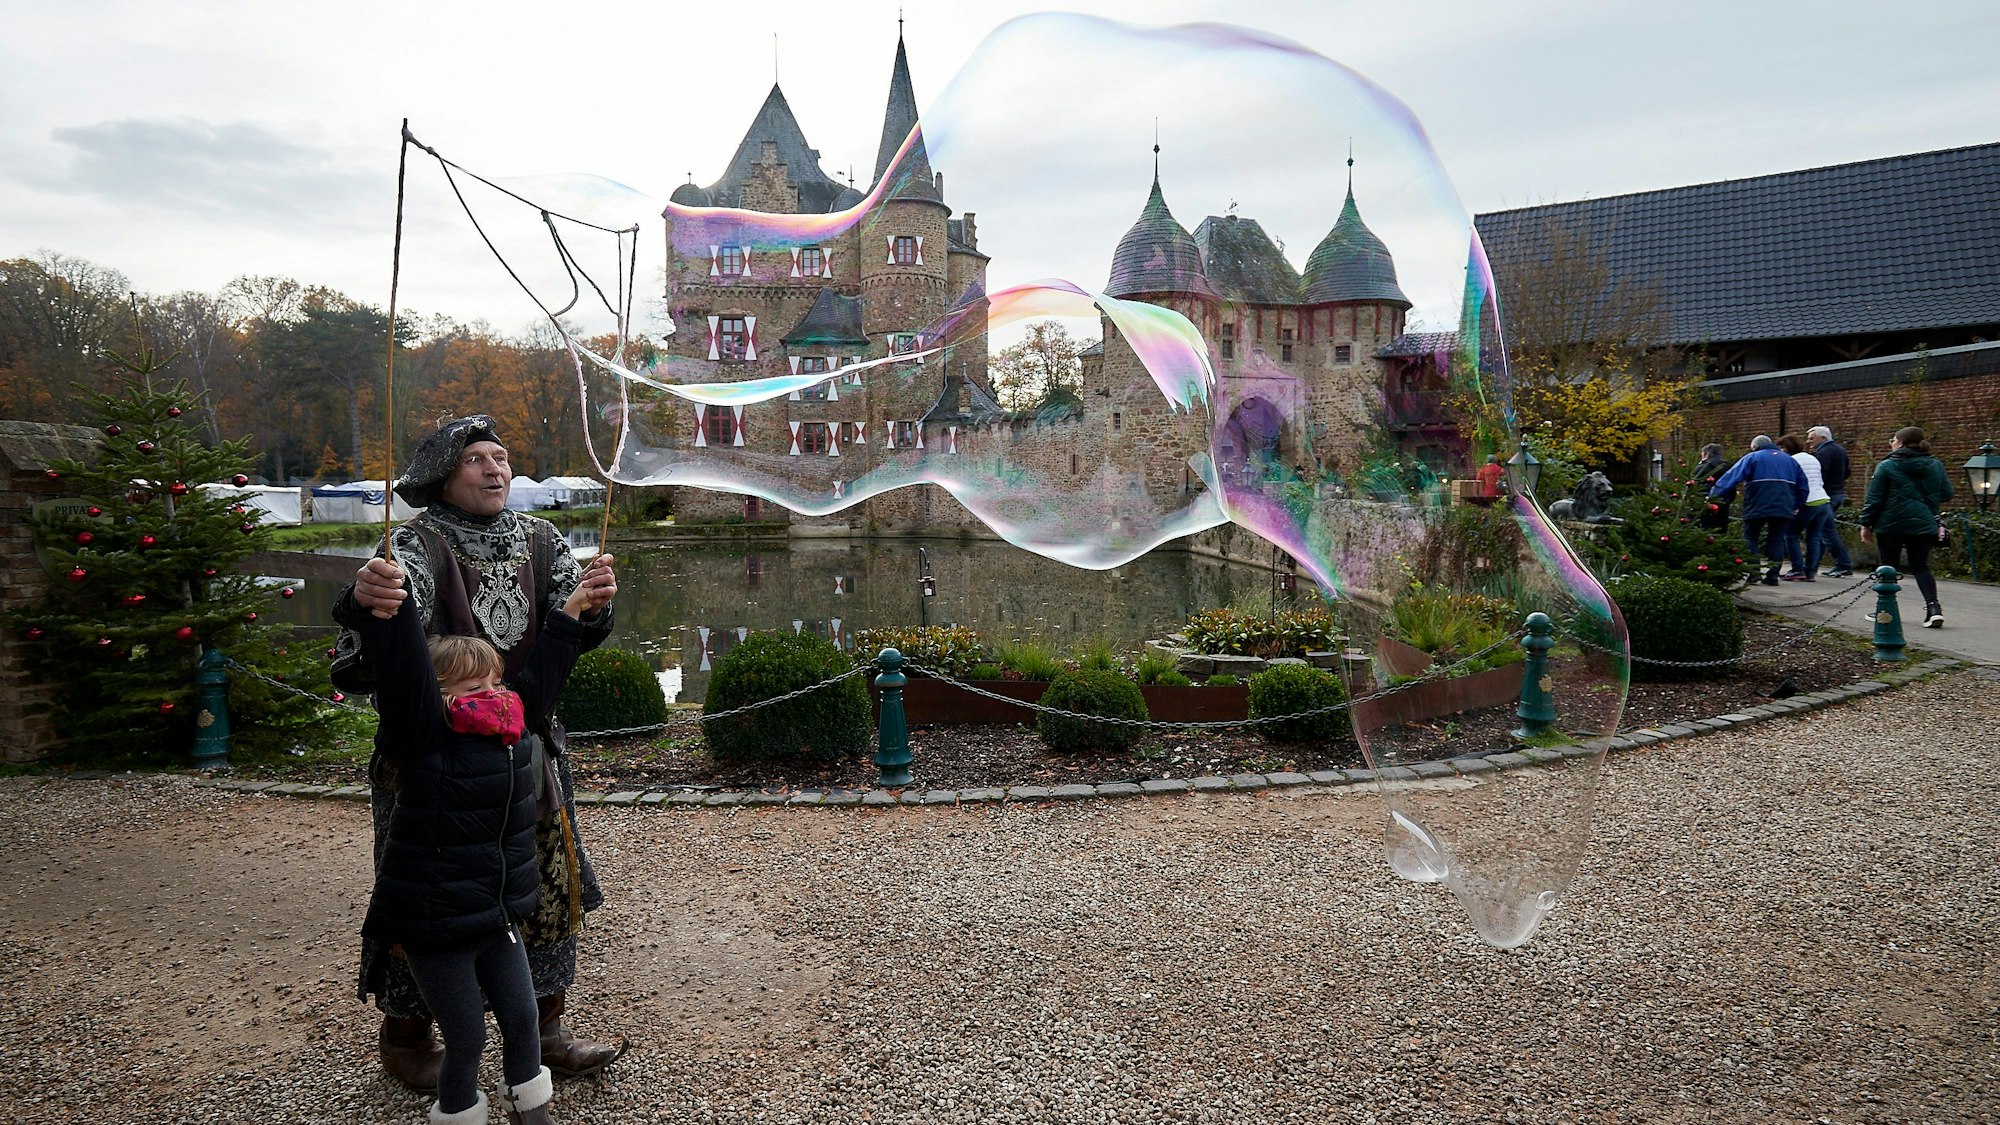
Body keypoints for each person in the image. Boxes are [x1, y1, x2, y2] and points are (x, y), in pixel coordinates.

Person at [331, 416, 626, 1091]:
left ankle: (545, 1031)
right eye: (476, 459)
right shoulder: (417, 541)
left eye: (502, 457)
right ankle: (407, 1034)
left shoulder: (543, 538)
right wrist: (365, 597)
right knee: (428, 896)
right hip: (430, 765)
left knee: (542, 887)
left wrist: (595, 605)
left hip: (528, 753)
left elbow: (570, 624)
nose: (496, 469)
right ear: (442, 473)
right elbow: (385, 609)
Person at [354, 584, 597, 1124]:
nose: (493, 693)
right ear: (438, 696)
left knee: (521, 1018)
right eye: (473, 685)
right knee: (465, 1038)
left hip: (496, 915)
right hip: (435, 925)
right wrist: (387, 614)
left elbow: (542, 677)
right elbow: (402, 673)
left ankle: (531, 1115)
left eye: (494, 680)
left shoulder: (508, 728)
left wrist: (572, 612)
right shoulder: (421, 735)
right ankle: (460, 1114)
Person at [1860, 425, 1954, 628]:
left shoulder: (1886, 466)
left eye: (1893, 440)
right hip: (1923, 523)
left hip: (1890, 525)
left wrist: (1866, 523)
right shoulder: (1935, 465)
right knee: (1920, 566)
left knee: (1887, 568)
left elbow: (1874, 499)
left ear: (1900, 442)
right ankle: (1933, 609)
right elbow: (1946, 494)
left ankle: (1884, 611)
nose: (1891, 443)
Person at [1709, 435, 1807, 586]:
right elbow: (1803, 486)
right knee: (1777, 539)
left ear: (1755, 447)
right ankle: (1773, 575)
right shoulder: (1790, 460)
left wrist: (1713, 496)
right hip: (1783, 506)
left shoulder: (1752, 457)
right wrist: (1795, 505)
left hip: (1757, 504)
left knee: (1750, 537)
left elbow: (1731, 477)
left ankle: (1754, 573)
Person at [1776, 434, 1831, 581]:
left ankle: (1797, 569)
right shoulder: (1812, 458)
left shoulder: (1791, 461)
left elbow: (1792, 484)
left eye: (1781, 448)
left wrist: (1793, 505)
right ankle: (1810, 572)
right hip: (1822, 500)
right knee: (1814, 537)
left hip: (1807, 502)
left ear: (1786, 448)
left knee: (1791, 535)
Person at [1807, 425, 1855, 577]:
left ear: (1823, 438)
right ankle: (1813, 565)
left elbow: (1820, 475)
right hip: (1838, 493)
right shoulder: (1840, 450)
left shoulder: (1823, 452)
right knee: (1822, 530)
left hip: (1826, 495)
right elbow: (1847, 472)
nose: (1808, 442)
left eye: (1811, 438)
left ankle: (1843, 564)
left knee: (1826, 532)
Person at [1689, 443, 1731, 531]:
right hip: (1723, 504)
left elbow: (1693, 486)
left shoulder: (1701, 468)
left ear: (1706, 454)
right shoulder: (1728, 468)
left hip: (1704, 505)